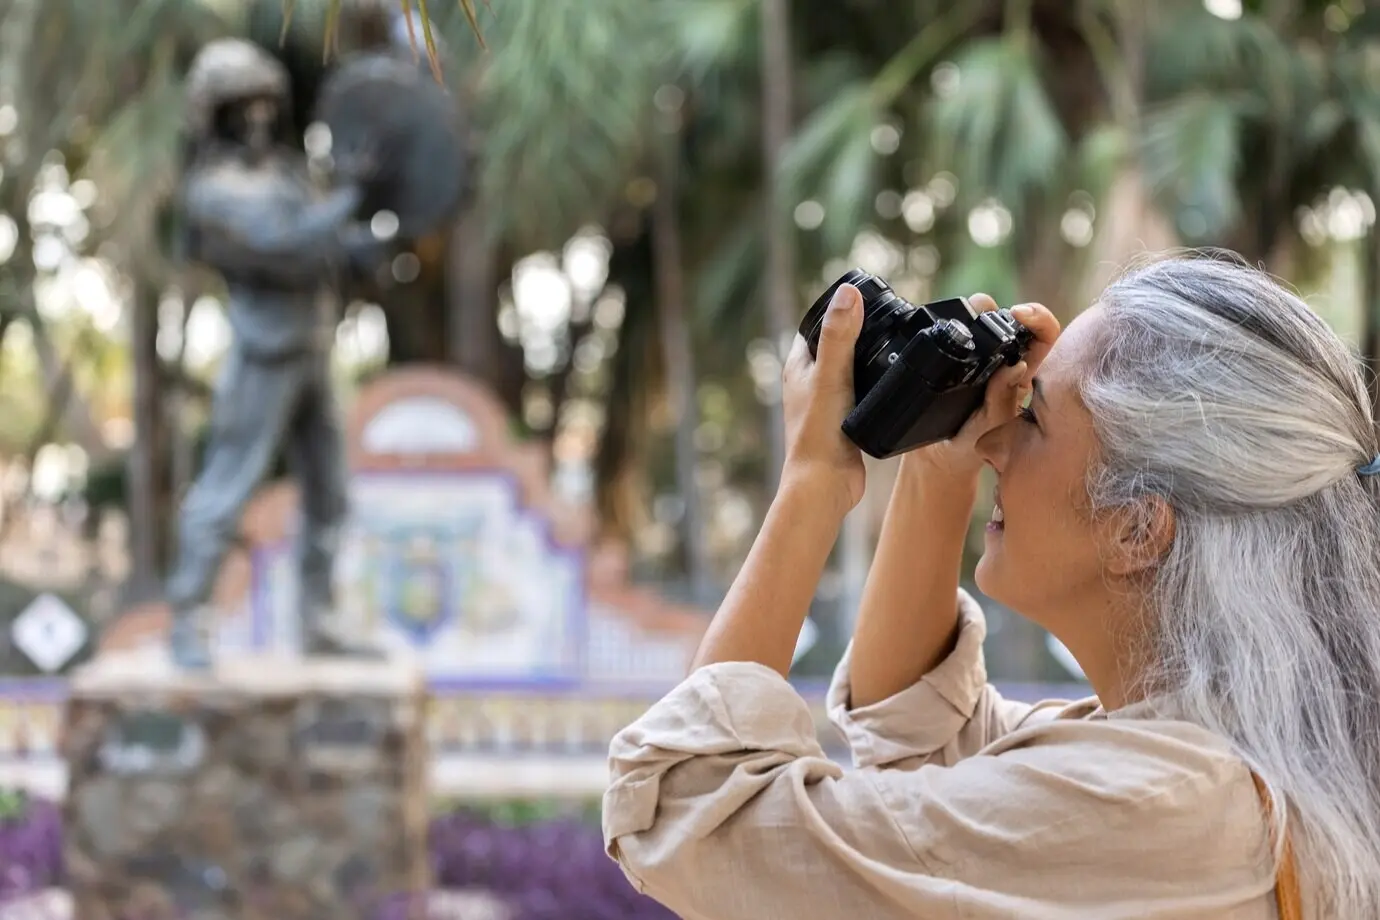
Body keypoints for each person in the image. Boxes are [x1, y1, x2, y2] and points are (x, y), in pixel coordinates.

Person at [601, 253, 1380, 918]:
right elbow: (916, 738)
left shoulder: (1160, 804)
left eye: (1035, 420)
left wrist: (811, 486)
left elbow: (687, 809)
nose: (998, 442)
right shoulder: (1212, 772)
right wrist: (942, 463)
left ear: (1138, 529)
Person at [165, 39, 384, 668]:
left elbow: (329, 241)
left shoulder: (290, 172)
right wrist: (350, 196)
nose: (258, 117)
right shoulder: (213, 189)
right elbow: (283, 240)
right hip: (264, 355)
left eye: (266, 103)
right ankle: (188, 619)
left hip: (315, 348)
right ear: (217, 114)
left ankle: (318, 622)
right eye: (242, 106)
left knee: (330, 495)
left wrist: (366, 240)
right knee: (226, 489)